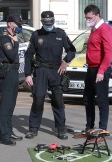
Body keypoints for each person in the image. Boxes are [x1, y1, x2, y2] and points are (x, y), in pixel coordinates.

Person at [24, 11, 76, 140]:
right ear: (42, 22)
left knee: (58, 102)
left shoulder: (61, 34)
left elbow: (72, 50)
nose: (48, 25)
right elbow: (29, 55)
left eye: (50, 22)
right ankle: (33, 129)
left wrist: (65, 61)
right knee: (38, 100)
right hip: (40, 71)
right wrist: (27, 74)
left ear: (53, 21)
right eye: (46, 23)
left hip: (56, 71)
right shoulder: (36, 35)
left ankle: (61, 129)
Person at [81, 4, 112, 143]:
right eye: (86, 18)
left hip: (99, 70)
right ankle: (89, 129)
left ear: (97, 16)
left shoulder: (105, 29)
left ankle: (101, 132)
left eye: (89, 17)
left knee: (101, 101)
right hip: (91, 68)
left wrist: (103, 70)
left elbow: (108, 52)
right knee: (87, 99)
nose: (87, 20)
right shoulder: (94, 29)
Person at [0, 14, 23, 145]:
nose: (19, 27)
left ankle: (9, 130)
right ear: (10, 24)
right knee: (5, 105)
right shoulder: (4, 39)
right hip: (7, 72)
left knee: (11, 105)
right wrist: (16, 43)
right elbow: (12, 56)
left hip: (13, 71)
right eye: (17, 24)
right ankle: (4, 135)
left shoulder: (11, 38)